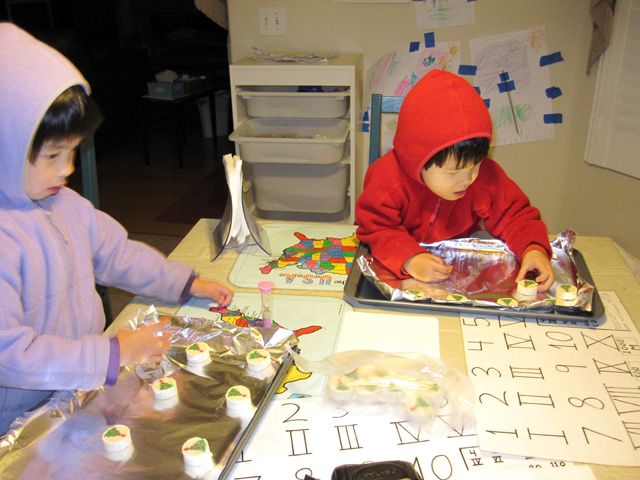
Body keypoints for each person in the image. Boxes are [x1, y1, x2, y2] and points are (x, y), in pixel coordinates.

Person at [0, 23, 234, 435]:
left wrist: (183, 283)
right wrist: (111, 353)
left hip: (80, 387)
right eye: (53, 154)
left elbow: (117, 254)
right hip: (19, 417)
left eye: (73, 151)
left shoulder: (65, 202)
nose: (67, 169)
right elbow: (11, 356)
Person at [356, 69, 553, 290]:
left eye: (475, 165)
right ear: (418, 161)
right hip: (397, 265)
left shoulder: (485, 178)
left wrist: (533, 248)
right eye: (454, 172)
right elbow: (376, 228)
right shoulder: (387, 179)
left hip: (458, 267)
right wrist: (408, 258)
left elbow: (514, 215)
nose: (468, 179)